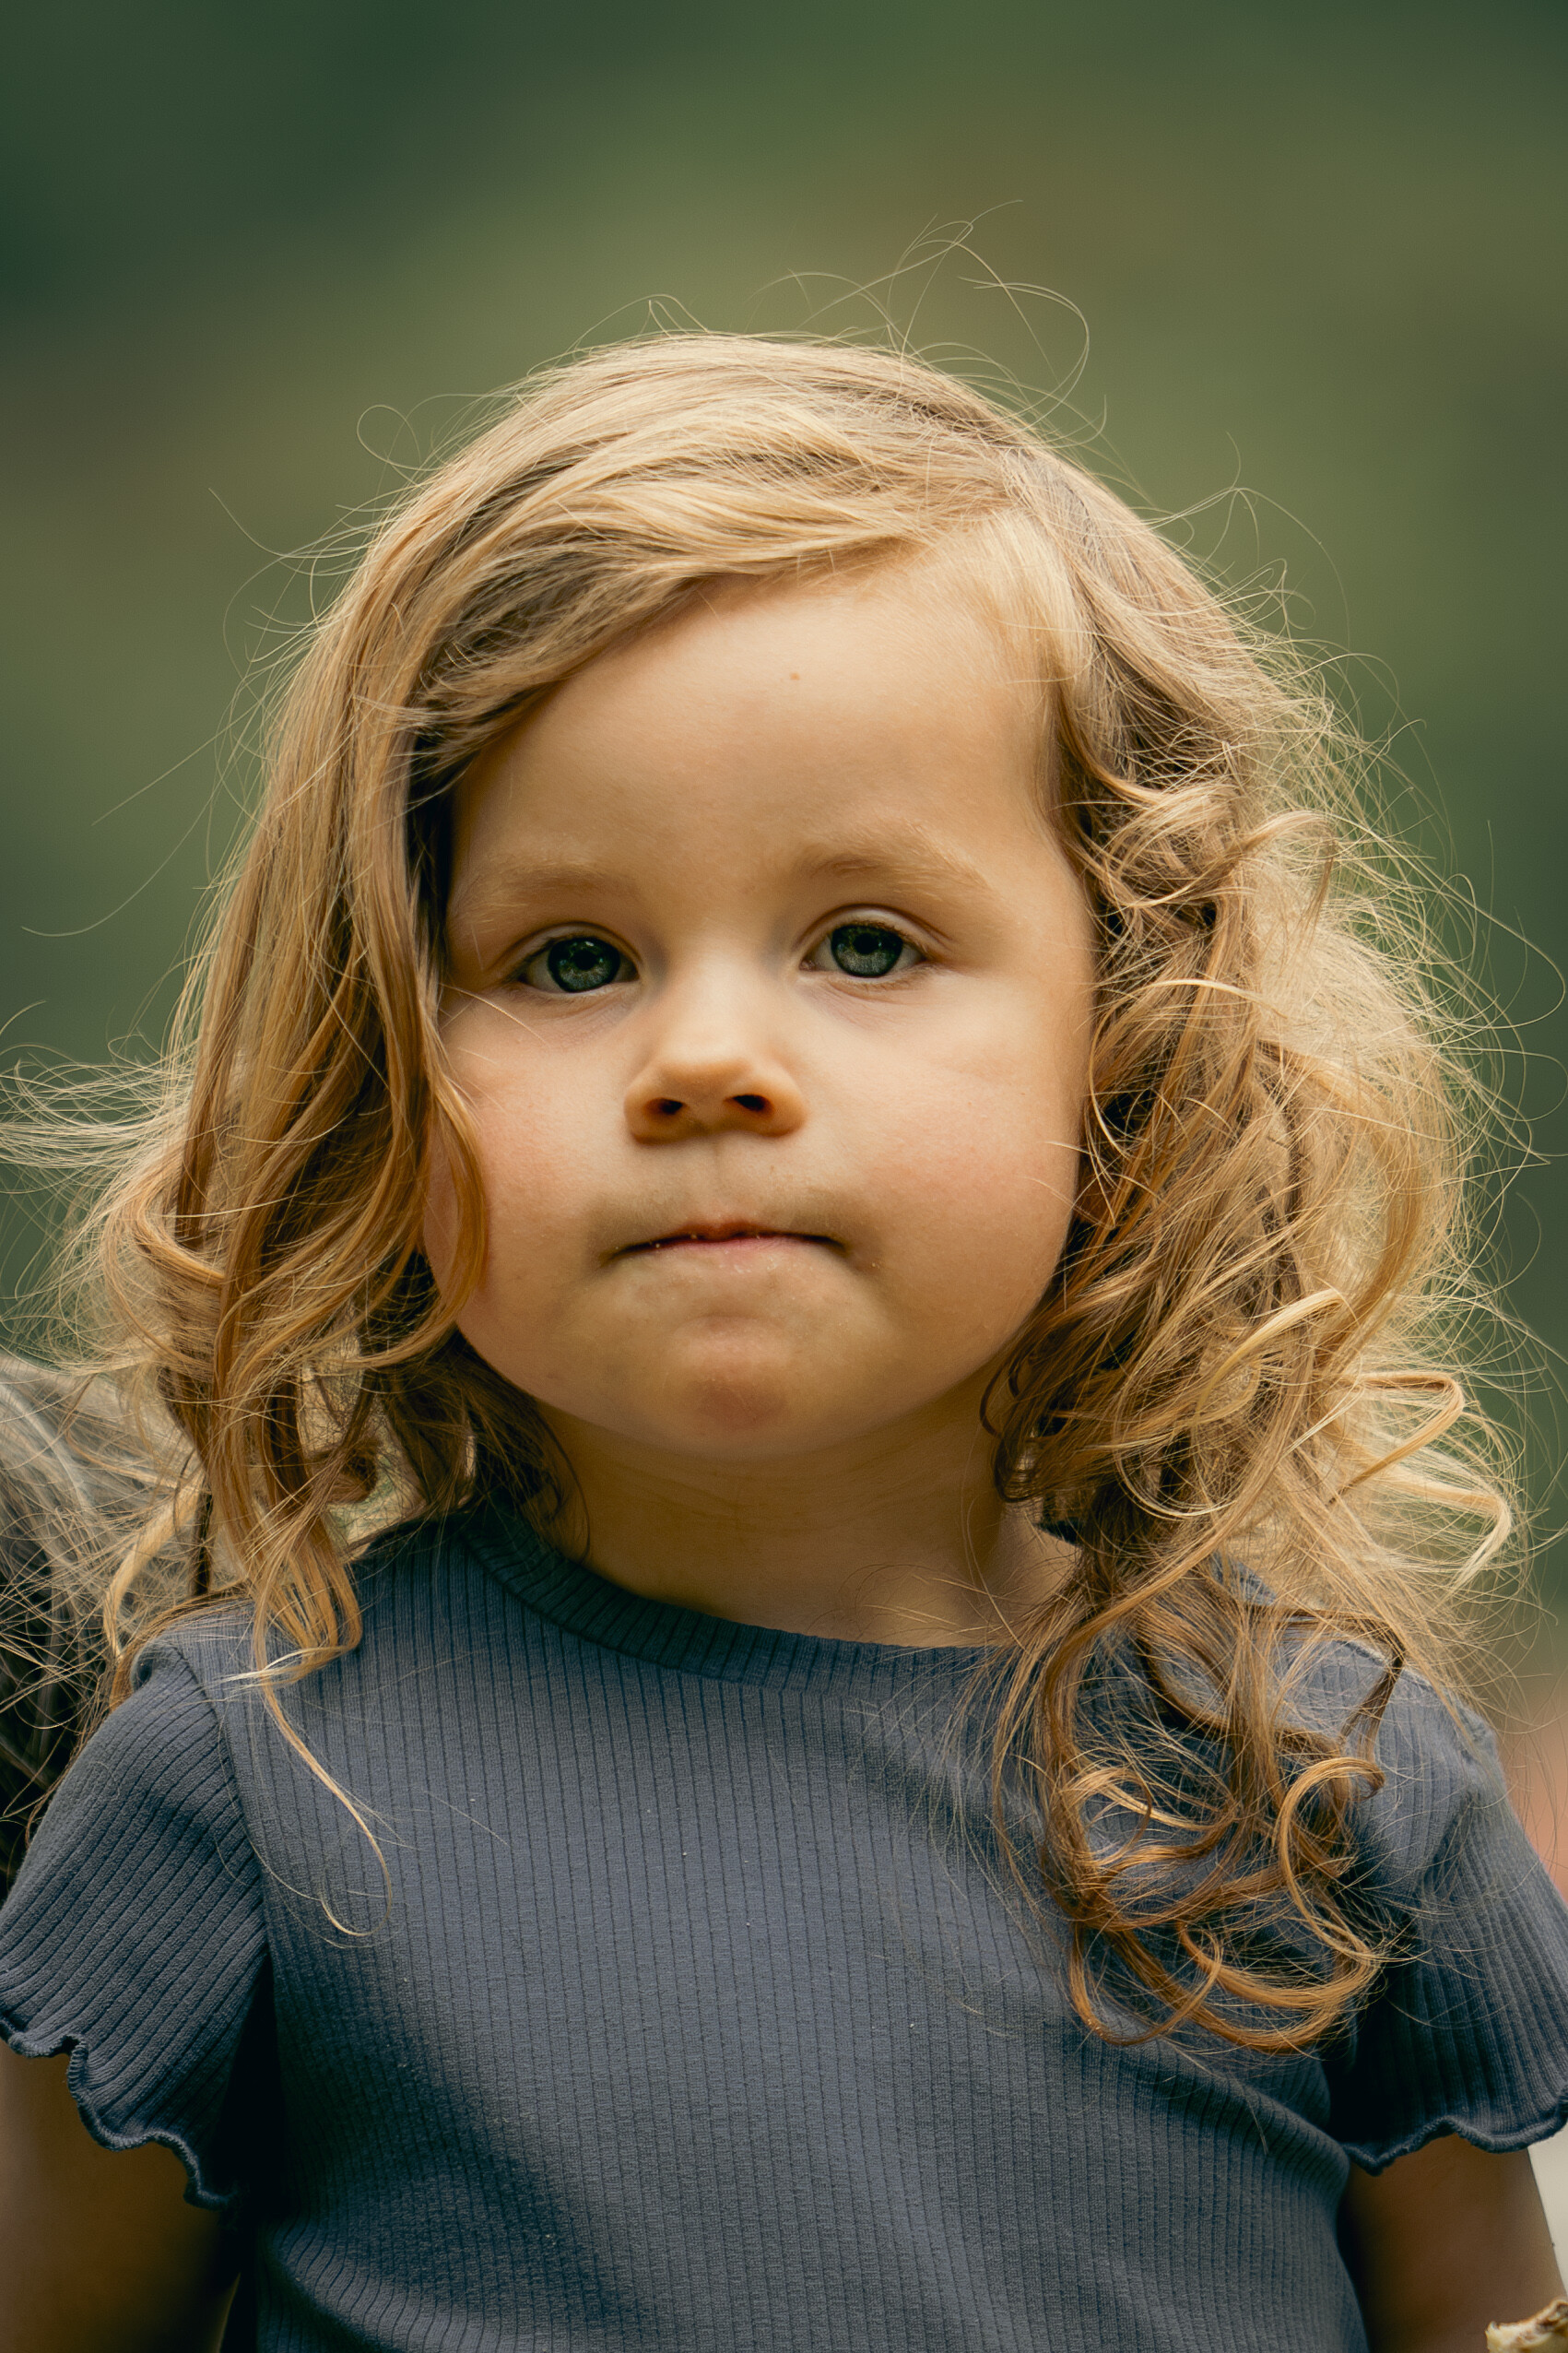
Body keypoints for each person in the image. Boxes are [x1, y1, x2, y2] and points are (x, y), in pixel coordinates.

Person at [0, 335, 1563, 2353]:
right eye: (569, 958)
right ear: (381, 1075)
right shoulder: (239, 1792)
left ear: (1133, 1036)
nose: (709, 1061)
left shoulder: (1329, 1798)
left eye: (863, 942)